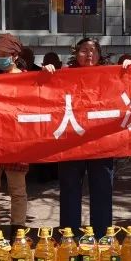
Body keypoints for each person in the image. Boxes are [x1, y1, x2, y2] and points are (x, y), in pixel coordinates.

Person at [44, 37, 115, 237]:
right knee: (69, 189)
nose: (89, 54)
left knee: (102, 188)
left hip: (101, 142)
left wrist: (130, 66)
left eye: (93, 50)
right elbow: (45, 92)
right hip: (71, 142)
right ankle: (69, 235)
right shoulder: (64, 75)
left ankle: (102, 236)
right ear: (76, 53)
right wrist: (46, 74)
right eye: (84, 50)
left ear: (99, 54)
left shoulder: (110, 75)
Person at [0, 33, 29, 236]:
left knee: (18, 190)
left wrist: (48, 73)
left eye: (4, 54)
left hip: (17, 141)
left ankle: (18, 231)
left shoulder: (27, 78)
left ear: (15, 55)